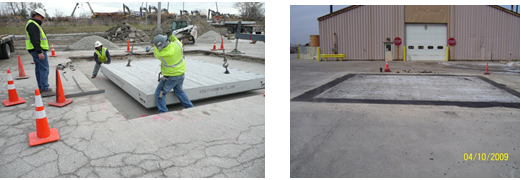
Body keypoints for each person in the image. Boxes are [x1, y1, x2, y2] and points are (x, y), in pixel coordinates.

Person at [153, 33, 193, 113]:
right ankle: (190, 107)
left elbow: (156, 51)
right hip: (181, 74)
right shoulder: (178, 45)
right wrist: (170, 35)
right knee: (179, 91)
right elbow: (175, 40)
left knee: (159, 93)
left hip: (170, 77)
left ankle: (163, 111)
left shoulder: (161, 54)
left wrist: (155, 44)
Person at [26, 8, 54, 97]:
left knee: (39, 69)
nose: (42, 20)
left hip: (36, 50)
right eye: (42, 18)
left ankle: (42, 87)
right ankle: (45, 89)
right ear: (37, 15)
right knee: (43, 69)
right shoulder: (33, 25)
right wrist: (39, 52)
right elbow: (35, 39)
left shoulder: (33, 24)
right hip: (38, 50)